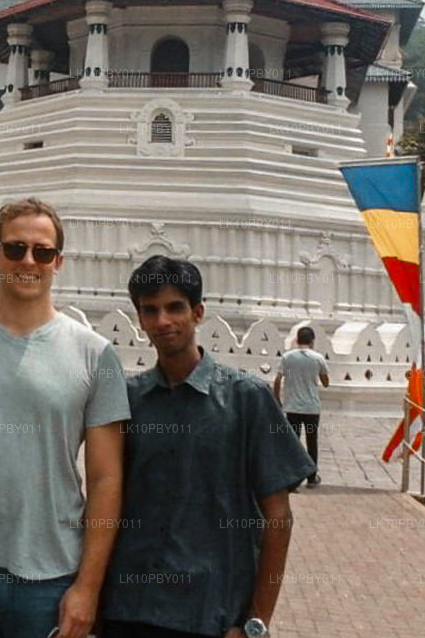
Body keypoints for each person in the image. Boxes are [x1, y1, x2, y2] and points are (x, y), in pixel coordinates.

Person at [0, 198, 130, 638]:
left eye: (42, 252)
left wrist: (88, 587)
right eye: (15, 248)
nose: (28, 261)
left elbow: (105, 480)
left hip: (51, 573)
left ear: (58, 262)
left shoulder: (94, 354)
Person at [100, 256, 315, 638]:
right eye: (150, 310)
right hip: (130, 607)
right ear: (140, 321)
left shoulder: (246, 399)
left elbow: (278, 518)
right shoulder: (129, 400)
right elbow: (107, 500)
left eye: (175, 308)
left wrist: (256, 621)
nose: (163, 321)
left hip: (211, 613)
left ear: (198, 313)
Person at [274, 326, 329, 488]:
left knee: (293, 443)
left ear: (297, 340)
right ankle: (312, 477)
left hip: (292, 408)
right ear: (312, 341)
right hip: (311, 408)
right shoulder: (318, 358)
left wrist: (277, 399)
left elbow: (277, 380)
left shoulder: (287, 357)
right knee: (312, 442)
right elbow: (326, 382)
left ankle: (292, 480)